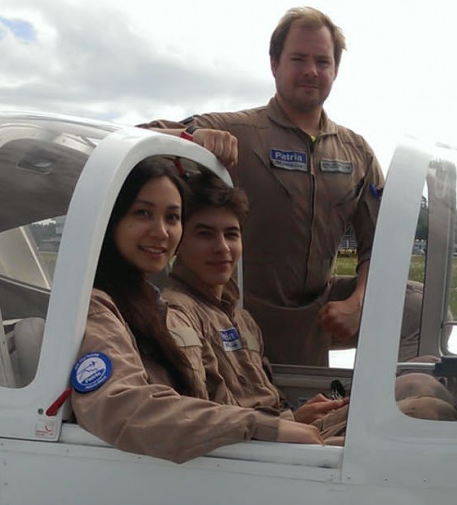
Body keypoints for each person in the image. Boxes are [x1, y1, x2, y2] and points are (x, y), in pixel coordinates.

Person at [147, 6, 417, 367]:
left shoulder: (357, 153)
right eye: (298, 59)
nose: (311, 70)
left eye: (322, 61)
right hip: (238, 315)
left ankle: (383, 397)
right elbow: (131, 139)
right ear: (274, 65)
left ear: (335, 70)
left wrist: (358, 304)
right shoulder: (238, 130)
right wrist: (192, 138)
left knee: (418, 305)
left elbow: (380, 245)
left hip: (319, 319)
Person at [70, 158, 324, 463]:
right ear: (111, 219)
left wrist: (281, 421)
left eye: (172, 217)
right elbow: (120, 407)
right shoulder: (100, 308)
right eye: (143, 213)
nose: (161, 232)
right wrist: (258, 425)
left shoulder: (150, 307)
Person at [162, 173, 457, 429]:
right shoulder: (175, 315)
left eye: (231, 234)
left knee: (427, 371)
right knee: (426, 412)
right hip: (259, 445)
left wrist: (300, 413)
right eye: (205, 235)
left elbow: (266, 396)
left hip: (284, 427)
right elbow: (197, 419)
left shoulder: (240, 318)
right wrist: (290, 422)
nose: (223, 248)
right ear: (177, 241)